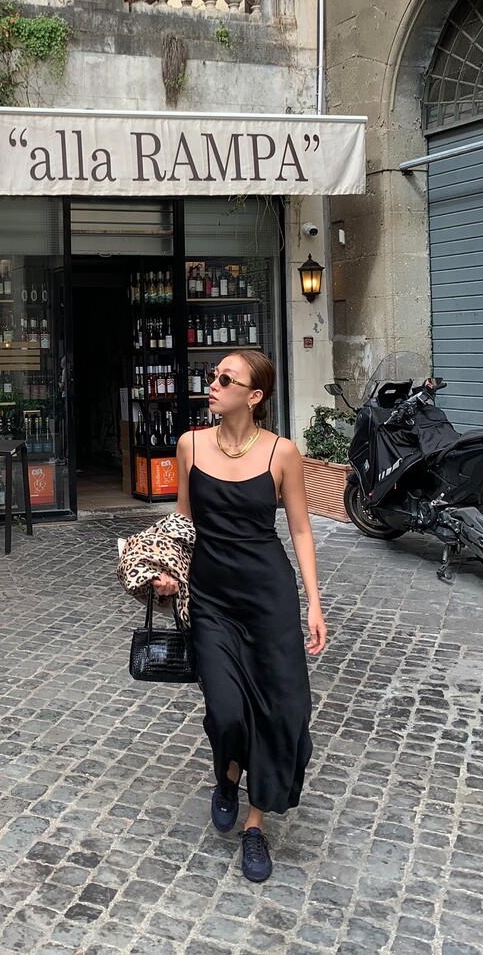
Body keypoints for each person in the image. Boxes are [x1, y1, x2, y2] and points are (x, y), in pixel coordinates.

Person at [152, 349, 327, 883]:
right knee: (226, 711)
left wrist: (314, 602)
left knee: (279, 711)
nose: (213, 383)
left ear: (253, 396)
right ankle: (227, 773)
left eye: (226, 378)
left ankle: (255, 825)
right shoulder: (190, 444)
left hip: (269, 599)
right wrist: (168, 573)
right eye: (213, 375)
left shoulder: (281, 452)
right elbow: (183, 522)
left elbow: (300, 529)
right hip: (211, 599)